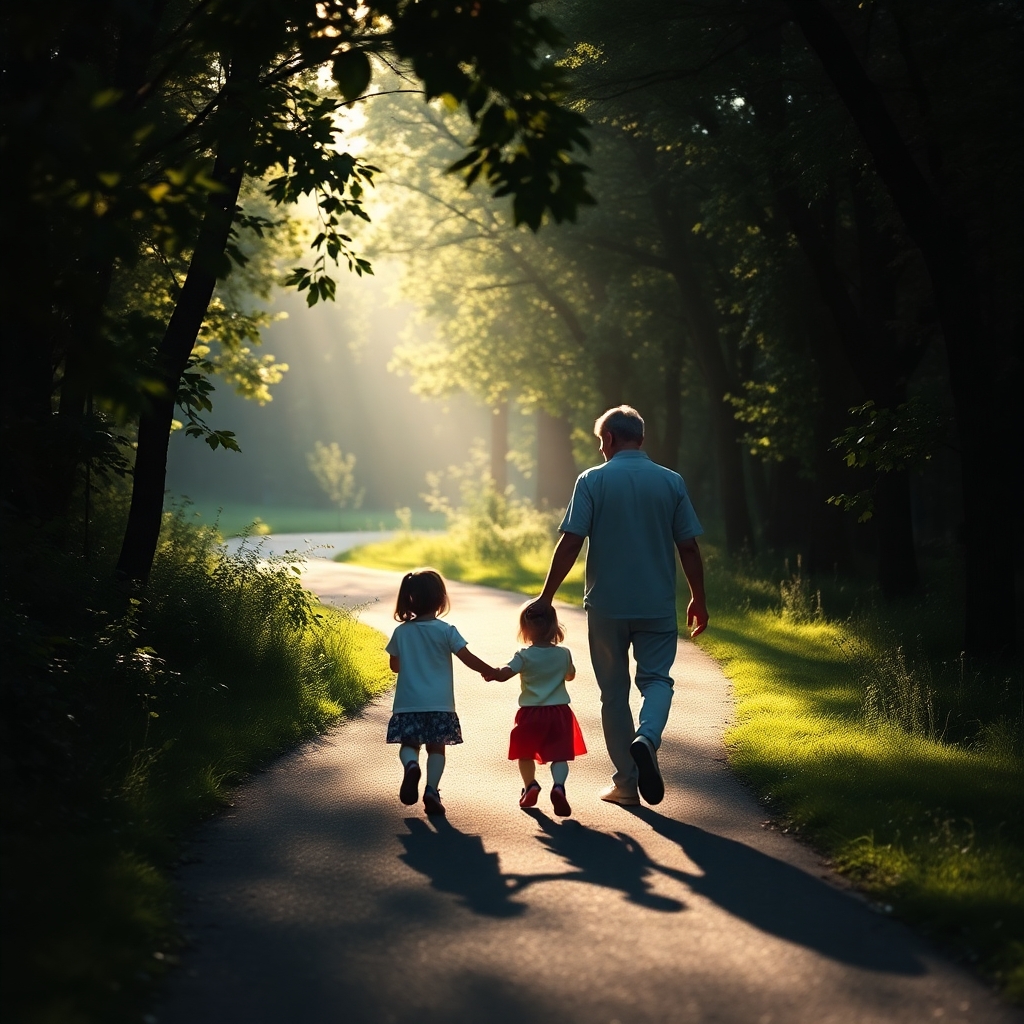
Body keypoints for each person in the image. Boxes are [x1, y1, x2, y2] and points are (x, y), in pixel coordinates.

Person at [530, 405, 708, 807]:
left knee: (614, 693)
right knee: (657, 680)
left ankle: (627, 783)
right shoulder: (671, 482)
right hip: (657, 604)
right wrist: (698, 597)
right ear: (641, 438)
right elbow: (688, 546)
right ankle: (647, 737)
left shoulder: (593, 480)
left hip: (607, 607)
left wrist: (547, 595)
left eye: (599, 442)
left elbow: (572, 541)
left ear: (609, 439)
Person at [385, 568, 496, 817]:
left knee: (409, 744)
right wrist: (490, 671)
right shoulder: (446, 630)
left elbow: (395, 666)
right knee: (437, 747)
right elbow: (467, 657)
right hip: (440, 704)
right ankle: (432, 791)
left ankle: (411, 765)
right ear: (440, 599)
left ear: (410, 599)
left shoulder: (401, 632)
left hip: (408, 704)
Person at [485, 603, 587, 817]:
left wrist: (493, 673)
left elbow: (505, 673)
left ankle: (530, 785)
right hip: (559, 713)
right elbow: (570, 675)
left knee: (525, 753)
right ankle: (559, 786)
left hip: (531, 713)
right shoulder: (564, 653)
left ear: (525, 629)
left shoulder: (523, 655)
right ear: (554, 628)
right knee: (560, 755)